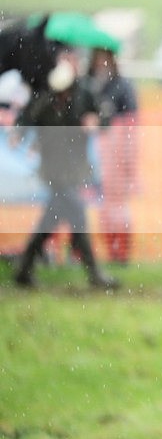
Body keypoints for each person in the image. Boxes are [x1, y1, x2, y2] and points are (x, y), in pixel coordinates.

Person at [13, 45, 117, 288]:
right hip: (52, 168)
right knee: (76, 216)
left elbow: (105, 115)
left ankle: (24, 269)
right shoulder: (44, 97)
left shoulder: (85, 92)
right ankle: (94, 274)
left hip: (74, 168)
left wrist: (96, 121)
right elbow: (26, 118)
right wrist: (20, 132)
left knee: (51, 218)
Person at [87, 48, 139, 264]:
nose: (102, 64)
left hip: (115, 153)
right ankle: (110, 250)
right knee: (103, 208)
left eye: (105, 59)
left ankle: (121, 253)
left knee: (117, 207)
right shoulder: (89, 85)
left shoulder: (122, 86)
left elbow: (131, 125)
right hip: (97, 153)